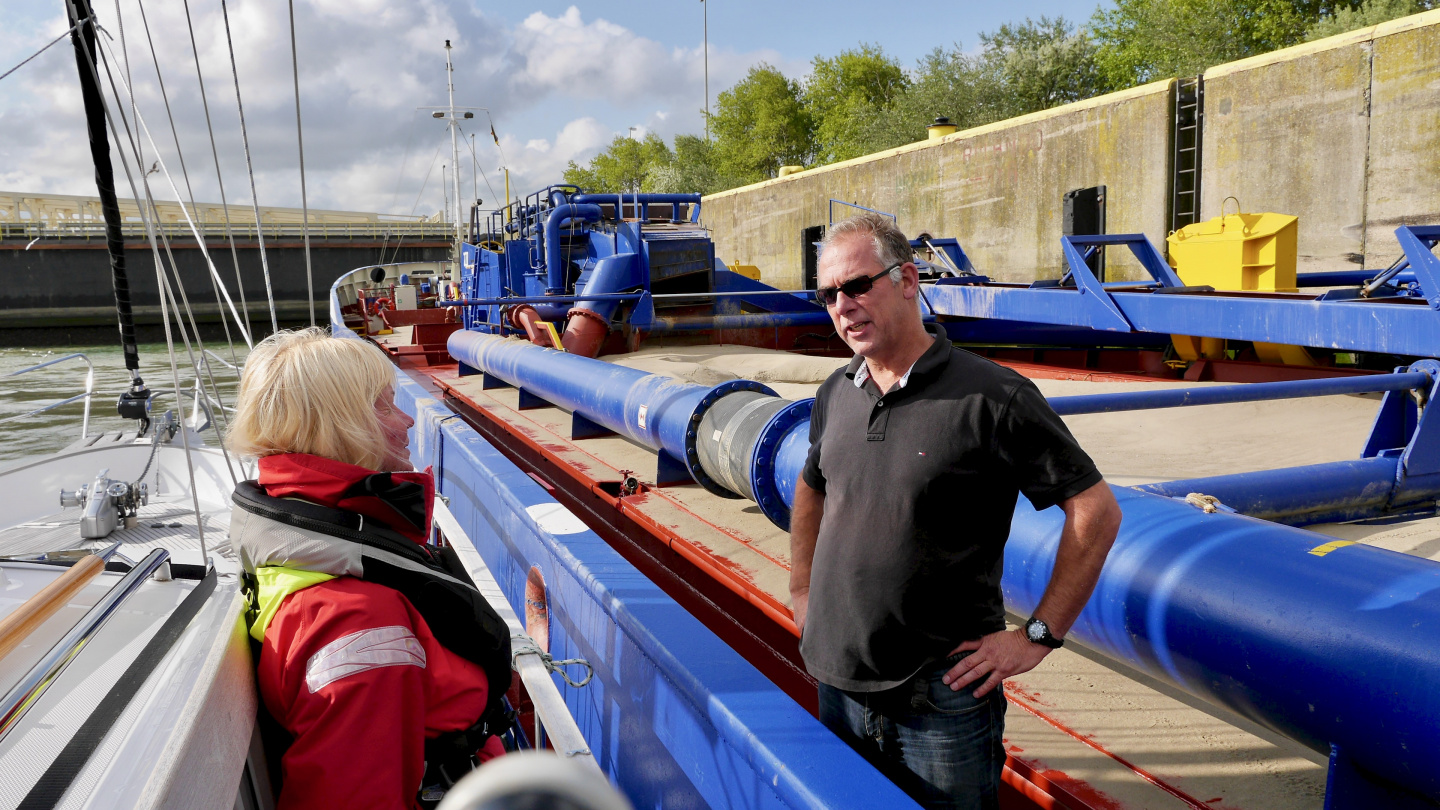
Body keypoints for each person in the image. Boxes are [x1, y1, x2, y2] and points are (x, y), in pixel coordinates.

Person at [789, 213, 1122, 810]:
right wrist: (801, 590)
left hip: (940, 696)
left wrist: (1038, 636)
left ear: (909, 279)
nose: (843, 305)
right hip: (838, 682)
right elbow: (811, 486)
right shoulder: (837, 391)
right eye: (828, 294)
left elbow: (1095, 511)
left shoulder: (994, 397)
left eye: (858, 285)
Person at [226, 327, 511, 810]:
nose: (406, 422)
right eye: (382, 405)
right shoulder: (361, 620)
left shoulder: (297, 539)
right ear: (332, 425)